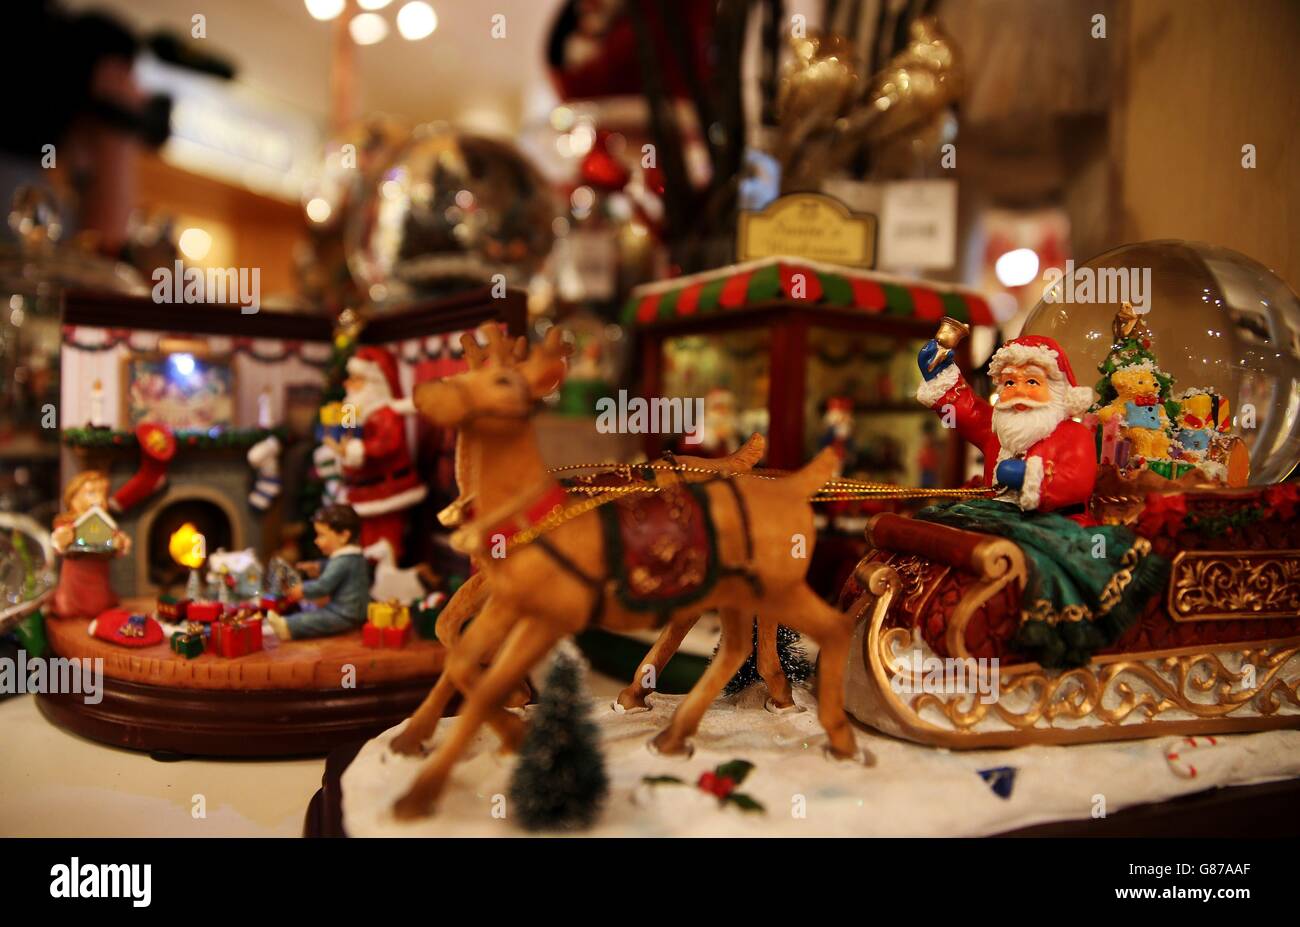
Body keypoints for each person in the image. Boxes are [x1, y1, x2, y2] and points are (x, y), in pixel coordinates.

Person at [912, 335, 1166, 668]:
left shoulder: (1072, 435)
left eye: (1032, 381)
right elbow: (967, 410)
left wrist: (1030, 476)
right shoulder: (997, 431)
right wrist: (941, 374)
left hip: (1058, 524)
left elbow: (1076, 482)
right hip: (998, 515)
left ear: (1058, 391)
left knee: (1031, 563)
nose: (1018, 391)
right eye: (1009, 382)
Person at [266, 505, 369, 640]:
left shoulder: (343, 561)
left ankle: (288, 626)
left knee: (316, 620)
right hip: (348, 609)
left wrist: (302, 590)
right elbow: (334, 568)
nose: (316, 540)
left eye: (321, 535)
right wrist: (318, 567)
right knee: (316, 613)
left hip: (345, 614)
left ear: (343, 536)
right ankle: (290, 623)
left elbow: (323, 586)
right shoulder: (350, 558)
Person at [50, 470, 131, 619]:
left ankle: (97, 611)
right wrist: (62, 540)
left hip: (97, 573)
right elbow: (56, 544)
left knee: (98, 602)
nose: (99, 499)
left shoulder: (104, 523)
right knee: (70, 602)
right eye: (91, 493)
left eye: (104, 495)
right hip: (75, 573)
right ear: (73, 497)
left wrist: (120, 543)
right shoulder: (67, 524)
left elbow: (118, 543)